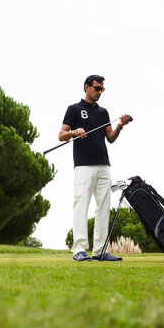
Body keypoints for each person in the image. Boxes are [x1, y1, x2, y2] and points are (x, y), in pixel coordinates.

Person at [58, 74, 132, 261]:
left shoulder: (103, 112)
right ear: (86, 87)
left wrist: (120, 126)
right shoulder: (74, 109)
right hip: (84, 166)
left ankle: (100, 250)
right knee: (81, 206)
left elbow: (110, 138)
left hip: (103, 165)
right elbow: (61, 135)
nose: (99, 92)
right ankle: (79, 250)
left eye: (102, 89)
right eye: (97, 88)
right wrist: (75, 131)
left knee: (103, 208)